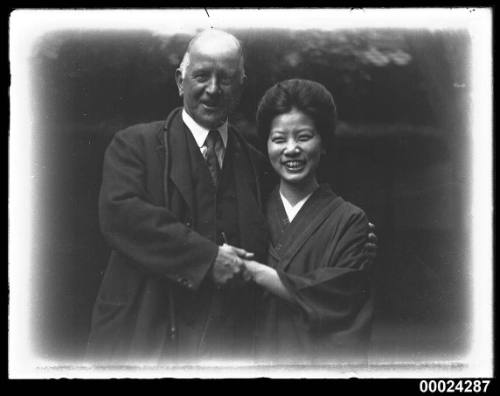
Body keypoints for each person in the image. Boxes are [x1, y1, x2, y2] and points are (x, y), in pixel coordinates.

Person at [86, 29, 377, 364]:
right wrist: (208, 258)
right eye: (201, 76)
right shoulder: (136, 146)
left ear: (240, 87)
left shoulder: (256, 163)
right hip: (143, 337)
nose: (212, 89)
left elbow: (295, 219)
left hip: (225, 346)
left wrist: (355, 236)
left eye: (225, 78)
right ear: (180, 81)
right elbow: (121, 215)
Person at [242, 79, 375, 364]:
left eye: (303, 137)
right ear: (266, 145)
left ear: (323, 142)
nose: (291, 149)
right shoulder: (249, 211)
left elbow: (341, 297)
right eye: (279, 139)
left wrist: (256, 272)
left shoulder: (350, 220)